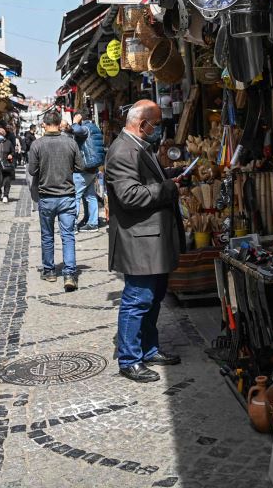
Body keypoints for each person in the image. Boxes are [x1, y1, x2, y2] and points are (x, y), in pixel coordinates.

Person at [105, 99, 184, 382]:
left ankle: (149, 349)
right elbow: (130, 196)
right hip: (139, 240)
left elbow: (147, 181)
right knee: (137, 299)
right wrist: (167, 189)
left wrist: (172, 177)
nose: (158, 129)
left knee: (153, 299)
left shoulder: (138, 147)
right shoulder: (123, 151)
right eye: (156, 124)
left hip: (152, 239)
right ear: (142, 124)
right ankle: (129, 359)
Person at [27, 109, 85, 292]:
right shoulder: (70, 143)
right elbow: (80, 166)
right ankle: (69, 274)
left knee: (47, 236)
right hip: (67, 196)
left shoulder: (37, 145)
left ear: (44, 124)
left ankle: (50, 271)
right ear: (60, 123)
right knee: (68, 235)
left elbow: (31, 171)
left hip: (46, 197)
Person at [70, 112, 105, 231]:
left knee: (75, 196)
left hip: (83, 168)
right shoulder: (95, 127)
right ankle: (93, 223)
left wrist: (75, 121)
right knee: (90, 196)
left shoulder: (85, 128)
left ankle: (72, 225)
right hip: (92, 168)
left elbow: (76, 130)